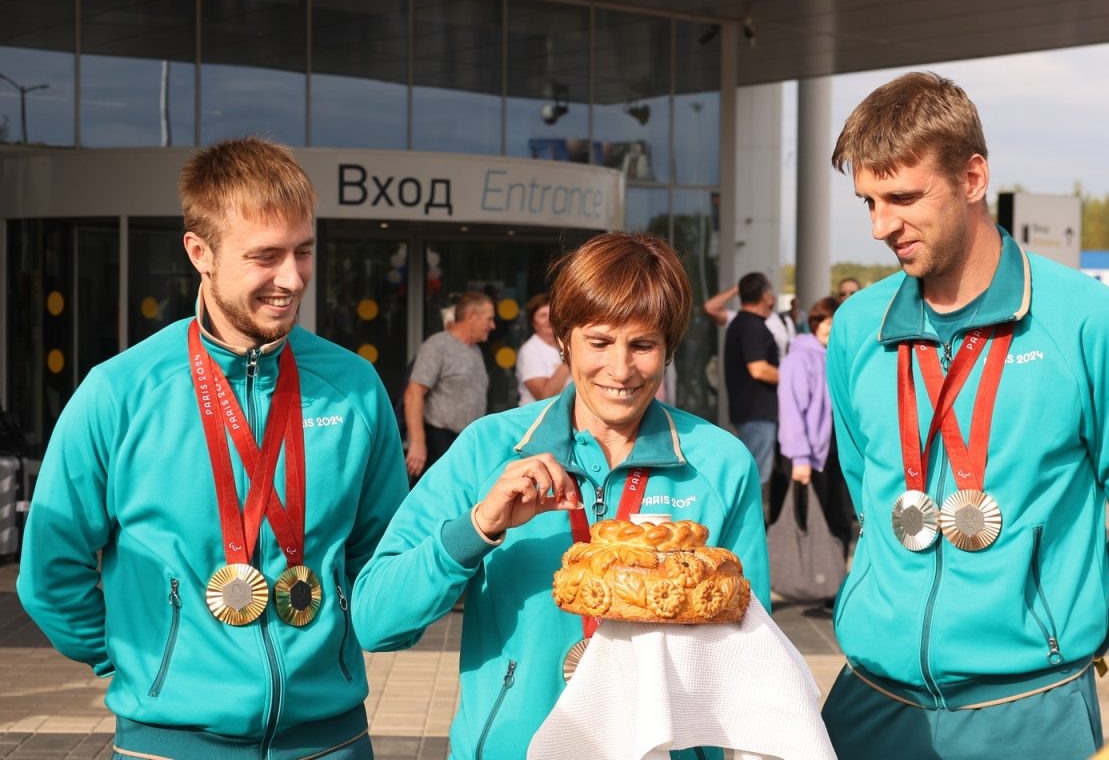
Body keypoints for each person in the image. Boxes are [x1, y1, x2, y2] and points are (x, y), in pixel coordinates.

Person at [822, 71, 1109, 759]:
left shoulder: (1088, 321)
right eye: (868, 201)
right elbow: (864, 480)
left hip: (1029, 710)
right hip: (870, 702)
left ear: (973, 176)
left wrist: (1061, 634)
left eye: (902, 197)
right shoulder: (856, 326)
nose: (880, 227)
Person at [17, 136, 408, 758]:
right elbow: (51, 574)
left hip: (330, 739)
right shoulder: (119, 392)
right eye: (265, 256)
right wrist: (145, 668)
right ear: (200, 253)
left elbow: (383, 556)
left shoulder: (353, 386)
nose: (292, 278)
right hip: (169, 744)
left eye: (304, 251)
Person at [351, 232, 769, 760]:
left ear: (668, 350)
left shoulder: (720, 463)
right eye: (599, 342)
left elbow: (751, 655)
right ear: (563, 340)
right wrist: (478, 528)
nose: (620, 370)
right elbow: (374, 620)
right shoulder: (489, 448)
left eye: (642, 345)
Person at [777, 296, 855, 565]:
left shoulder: (837, 355)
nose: (831, 329)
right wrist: (800, 459)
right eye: (827, 322)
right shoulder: (799, 358)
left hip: (835, 452)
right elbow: (791, 411)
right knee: (815, 522)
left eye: (837, 323)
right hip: (809, 456)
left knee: (840, 520)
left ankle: (833, 586)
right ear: (815, 323)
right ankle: (817, 583)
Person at [403, 291, 495, 479]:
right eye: (489, 319)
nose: (492, 326)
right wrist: (417, 442)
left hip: (465, 442)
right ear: (471, 317)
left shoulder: (475, 350)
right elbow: (413, 392)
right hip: (439, 441)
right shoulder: (438, 345)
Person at [723, 272, 781, 524]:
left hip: (750, 412)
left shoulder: (740, 323)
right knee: (757, 477)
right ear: (765, 295)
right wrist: (793, 380)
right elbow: (759, 368)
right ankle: (750, 531)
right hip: (757, 414)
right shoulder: (751, 326)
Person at [703, 279, 793, 357]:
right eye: (766, 291)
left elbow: (793, 350)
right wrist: (739, 288)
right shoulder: (741, 319)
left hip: (780, 374)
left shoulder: (784, 321)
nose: (771, 295)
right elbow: (710, 307)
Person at [515, 292, 570, 406]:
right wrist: (570, 358)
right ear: (533, 323)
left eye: (552, 314)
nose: (549, 320)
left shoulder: (565, 344)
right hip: (538, 419)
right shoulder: (529, 351)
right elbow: (544, 395)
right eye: (542, 315)